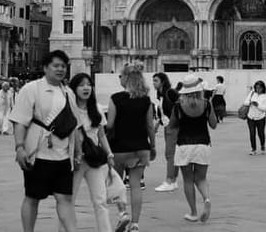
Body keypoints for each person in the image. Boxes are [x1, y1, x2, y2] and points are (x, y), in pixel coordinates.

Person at [9, 50, 79, 232]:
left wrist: (78, 152)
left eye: (63, 66)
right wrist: (19, 147)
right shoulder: (31, 89)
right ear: (45, 68)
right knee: (32, 197)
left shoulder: (69, 93)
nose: (60, 69)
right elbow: (20, 120)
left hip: (63, 156)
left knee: (65, 198)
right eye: (56, 66)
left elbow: (75, 126)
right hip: (38, 154)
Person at [62, 73, 120, 232]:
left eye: (88, 84)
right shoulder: (68, 110)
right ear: (74, 89)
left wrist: (109, 154)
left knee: (100, 200)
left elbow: (101, 135)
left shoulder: (97, 108)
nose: (86, 88)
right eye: (81, 85)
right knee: (69, 200)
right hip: (75, 160)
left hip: (94, 160)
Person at [107, 64, 156, 232]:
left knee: (117, 183)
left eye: (121, 76)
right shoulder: (146, 100)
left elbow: (110, 124)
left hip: (119, 148)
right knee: (135, 185)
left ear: (127, 79)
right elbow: (150, 126)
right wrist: (153, 147)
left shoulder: (115, 99)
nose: (120, 79)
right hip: (141, 148)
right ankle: (135, 224)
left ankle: (123, 214)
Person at [170, 74, 217, 223]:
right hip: (203, 144)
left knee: (188, 180)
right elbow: (214, 124)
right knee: (201, 178)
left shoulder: (178, 105)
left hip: (184, 144)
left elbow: (172, 125)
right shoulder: (206, 104)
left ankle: (193, 212)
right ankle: (207, 199)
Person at [152, 72, 179, 193]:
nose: (153, 83)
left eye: (156, 80)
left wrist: (173, 121)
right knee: (172, 154)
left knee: (170, 154)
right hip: (167, 126)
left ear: (162, 81)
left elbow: (178, 107)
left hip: (173, 127)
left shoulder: (170, 92)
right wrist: (158, 125)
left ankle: (169, 180)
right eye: (153, 80)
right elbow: (162, 113)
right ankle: (173, 180)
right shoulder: (161, 95)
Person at [243, 80, 266, 155]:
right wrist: (250, 103)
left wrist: (257, 105)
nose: (258, 90)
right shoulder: (252, 93)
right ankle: (253, 149)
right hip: (250, 117)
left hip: (260, 118)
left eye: (260, 88)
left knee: (260, 133)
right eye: (257, 88)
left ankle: (262, 145)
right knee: (252, 133)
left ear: (263, 88)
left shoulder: (265, 96)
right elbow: (245, 102)